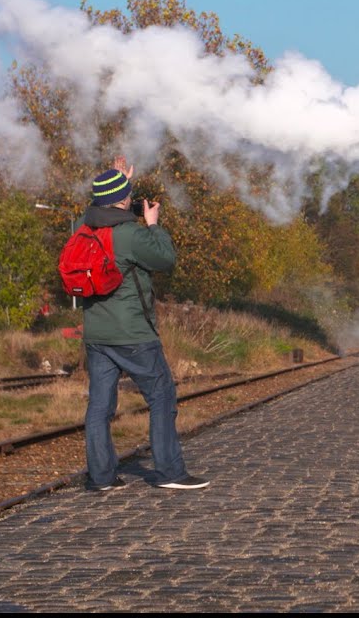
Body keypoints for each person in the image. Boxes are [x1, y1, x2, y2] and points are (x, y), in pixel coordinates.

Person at [79, 156, 208, 491]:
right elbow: (166, 259)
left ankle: (102, 478)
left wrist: (118, 179)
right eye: (128, 196)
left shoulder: (84, 228)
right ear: (123, 201)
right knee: (162, 395)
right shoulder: (131, 235)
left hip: (96, 333)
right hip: (133, 333)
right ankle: (170, 473)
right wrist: (153, 223)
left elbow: (104, 204)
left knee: (100, 407)